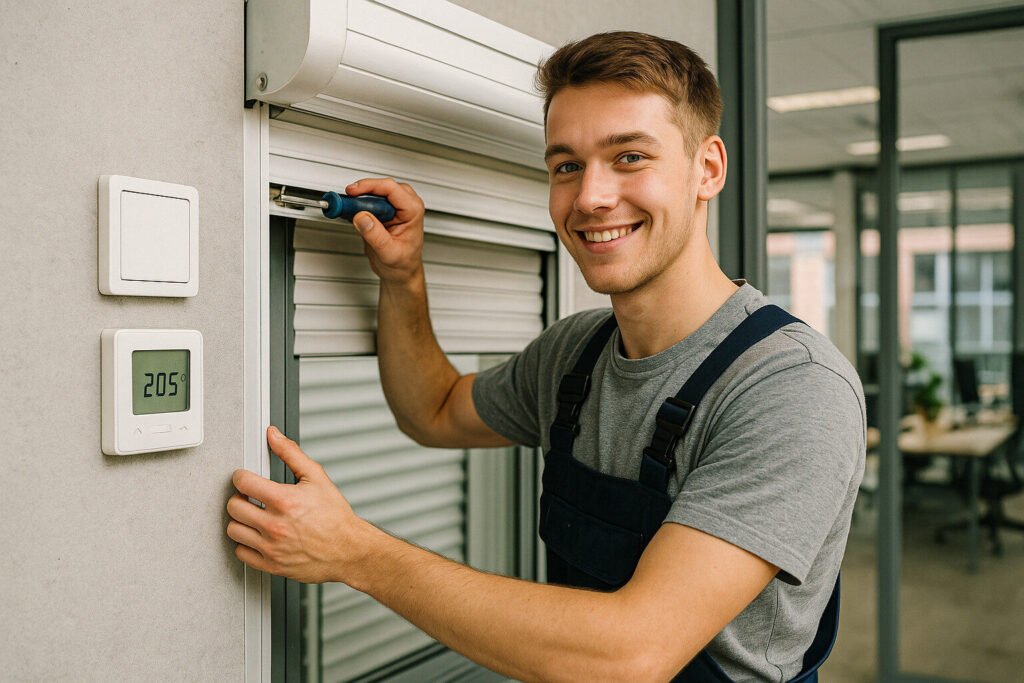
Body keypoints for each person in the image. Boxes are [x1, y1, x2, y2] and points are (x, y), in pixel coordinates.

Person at [226, 31, 865, 682]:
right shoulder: (575, 357)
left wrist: (354, 552)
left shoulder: (790, 387)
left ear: (708, 168)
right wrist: (403, 279)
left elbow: (632, 652)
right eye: (566, 165)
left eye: (629, 157)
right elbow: (433, 409)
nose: (590, 197)